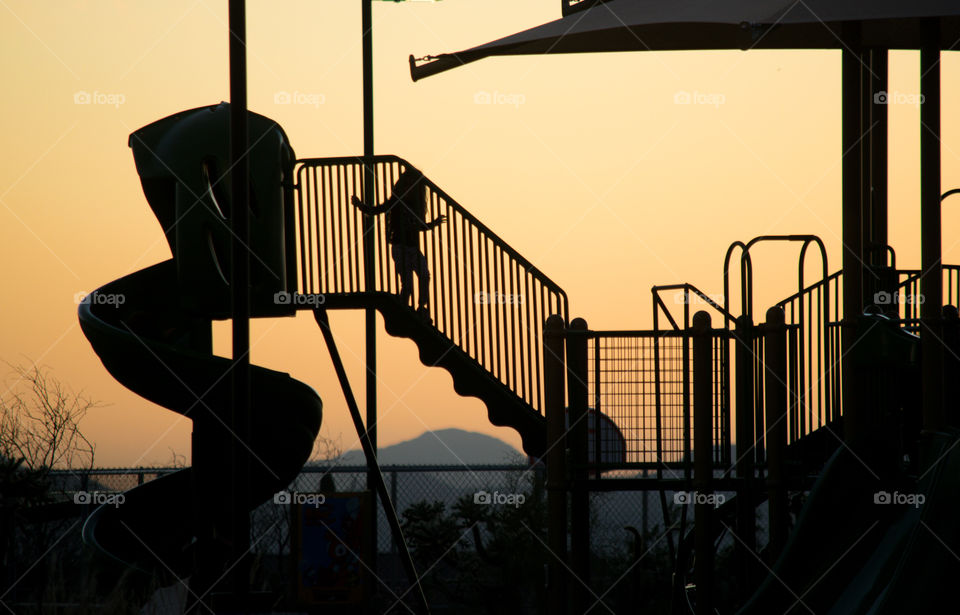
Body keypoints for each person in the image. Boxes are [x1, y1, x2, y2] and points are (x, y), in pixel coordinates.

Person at [351, 169, 445, 317]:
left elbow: (419, 226)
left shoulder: (415, 207)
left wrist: (433, 223)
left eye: (412, 186)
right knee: (407, 282)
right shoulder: (395, 202)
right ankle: (404, 304)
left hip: (413, 248)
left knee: (425, 275)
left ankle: (421, 306)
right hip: (399, 247)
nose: (408, 189)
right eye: (406, 185)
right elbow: (377, 210)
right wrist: (360, 205)